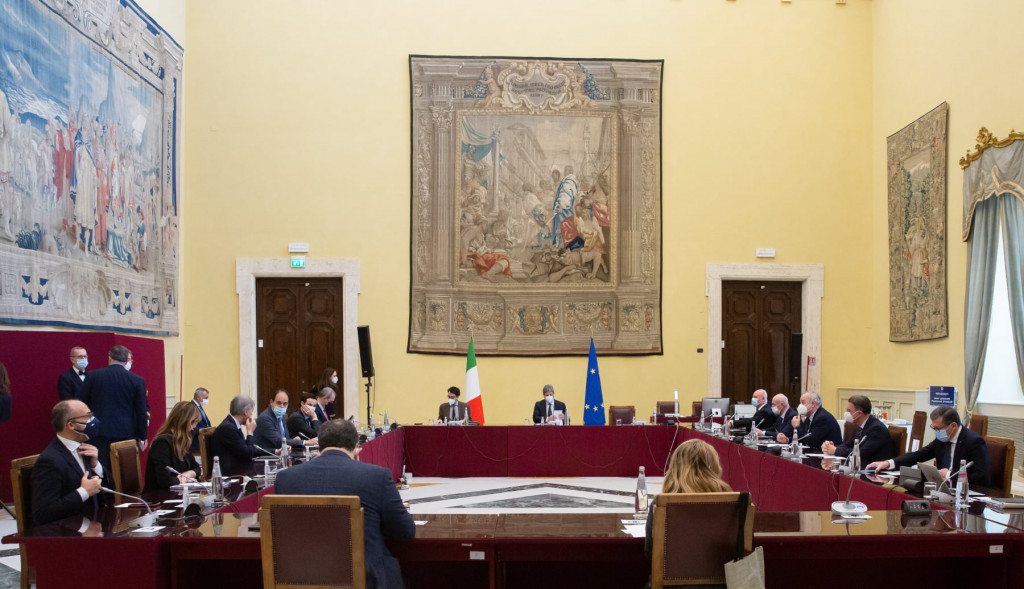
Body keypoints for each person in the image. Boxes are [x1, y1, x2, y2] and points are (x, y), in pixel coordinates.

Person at [274, 419, 415, 589]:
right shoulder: (376, 476)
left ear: (320, 445)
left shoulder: (285, 478)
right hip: (364, 580)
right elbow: (405, 531)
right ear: (356, 447)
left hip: (301, 578)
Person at [644, 439, 734, 562]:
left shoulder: (660, 504)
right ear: (712, 467)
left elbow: (651, 552)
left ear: (675, 468)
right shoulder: (732, 502)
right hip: (722, 573)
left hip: (672, 573)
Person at [867, 406, 991, 487]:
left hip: (966, 494)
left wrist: (949, 474)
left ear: (953, 425)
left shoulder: (974, 441)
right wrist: (888, 463)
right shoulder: (942, 440)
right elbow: (919, 455)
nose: (936, 432)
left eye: (938, 428)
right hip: (943, 491)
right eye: (933, 428)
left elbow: (982, 477)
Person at [75, 345, 148, 475]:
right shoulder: (137, 380)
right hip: (126, 436)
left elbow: (79, 403)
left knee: (100, 473)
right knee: (125, 475)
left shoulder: (93, 375)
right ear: (126, 361)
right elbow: (141, 412)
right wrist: (142, 436)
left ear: (109, 358)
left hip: (98, 434)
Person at [31, 400, 105, 525]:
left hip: (95, 522)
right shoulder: (49, 461)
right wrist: (84, 492)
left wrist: (95, 466)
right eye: (87, 416)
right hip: (69, 530)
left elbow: (110, 492)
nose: (92, 420)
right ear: (71, 425)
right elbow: (42, 513)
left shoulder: (84, 447)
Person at [144, 401, 201, 492]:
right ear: (184, 422)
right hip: (158, 496)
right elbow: (164, 480)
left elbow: (197, 468)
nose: (193, 428)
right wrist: (183, 480)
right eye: (193, 424)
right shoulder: (162, 444)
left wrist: (188, 474)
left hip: (176, 493)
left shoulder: (181, 442)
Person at [822, 395, 893, 465]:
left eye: (849, 411)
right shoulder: (859, 426)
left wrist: (835, 450)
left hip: (872, 468)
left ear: (859, 413)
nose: (846, 413)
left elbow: (861, 453)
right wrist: (831, 447)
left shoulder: (877, 429)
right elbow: (848, 445)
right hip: (859, 465)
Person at [212, 394, 259, 476]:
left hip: (239, 469)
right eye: (251, 413)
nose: (251, 416)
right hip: (232, 474)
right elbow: (248, 454)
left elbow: (247, 449)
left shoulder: (232, 424)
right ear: (246, 412)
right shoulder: (228, 428)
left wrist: (275, 451)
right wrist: (250, 432)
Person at [189, 387, 212, 454]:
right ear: (197, 397)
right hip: (196, 443)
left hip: (203, 441)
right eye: (205, 398)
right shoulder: (191, 407)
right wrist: (203, 431)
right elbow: (191, 426)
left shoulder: (199, 407)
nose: (206, 400)